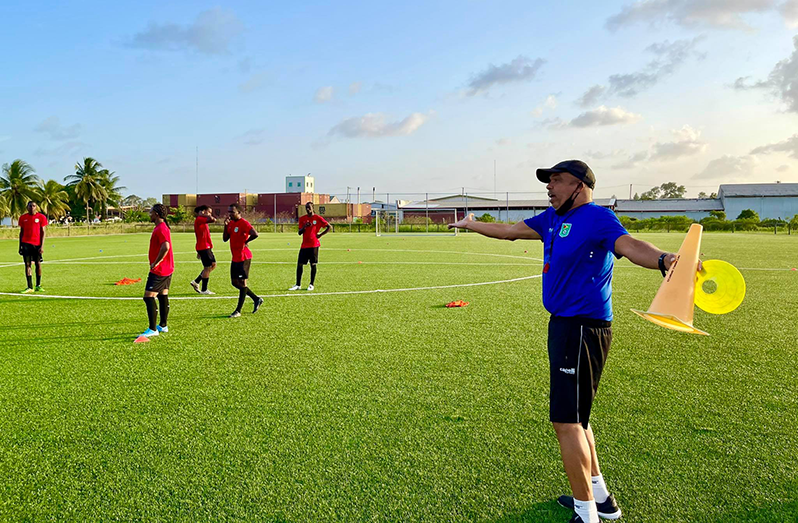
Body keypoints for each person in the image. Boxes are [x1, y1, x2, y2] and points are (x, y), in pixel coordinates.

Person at [449, 160, 700, 523]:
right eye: (548, 182)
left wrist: (664, 259)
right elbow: (507, 230)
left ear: (579, 187)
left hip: (584, 329)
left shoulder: (597, 218)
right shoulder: (550, 219)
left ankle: (587, 515)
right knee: (578, 419)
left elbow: (629, 245)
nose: (549, 188)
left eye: (558, 181)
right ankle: (601, 499)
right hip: (564, 326)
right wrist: (471, 224)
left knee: (566, 422)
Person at [223, 203, 263, 318]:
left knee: (242, 283)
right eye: (229, 212)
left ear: (239, 213)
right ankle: (256, 299)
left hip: (244, 257)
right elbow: (225, 239)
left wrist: (246, 242)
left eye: (232, 212)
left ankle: (238, 311)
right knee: (234, 282)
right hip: (235, 257)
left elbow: (255, 234)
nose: (230, 214)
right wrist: (225, 226)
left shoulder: (244, 223)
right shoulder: (230, 224)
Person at [140, 204, 174, 339]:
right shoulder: (163, 227)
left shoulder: (161, 228)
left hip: (160, 270)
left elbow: (166, 247)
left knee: (148, 297)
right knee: (162, 295)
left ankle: (153, 329)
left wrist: (156, 262)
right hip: (168, 268)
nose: (149, 214)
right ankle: (163, 325)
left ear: (157, 214)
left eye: (151, 212)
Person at [289, 202, 331, 291]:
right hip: (304, 245)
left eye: (309, 207)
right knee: (299, 264)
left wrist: (320, 235)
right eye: (306, 208)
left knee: (313, 264)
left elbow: (329, 227)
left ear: (313, 208)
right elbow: (299, 233)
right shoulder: (302, 219)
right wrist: (304, 226)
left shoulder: (317, 218)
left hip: (314, 245)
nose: (308, 209)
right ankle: (298, 284)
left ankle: (311, 284)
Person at [18, 201, 48, 293]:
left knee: (38, 264)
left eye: (34, 206)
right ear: (27, 207)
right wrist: (20, 246)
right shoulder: (23, 218)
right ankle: (29, 286)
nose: (32, 207)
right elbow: (21, 232)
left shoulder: (41, 217)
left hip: (37, 244)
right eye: (30, 206)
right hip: (26, 244)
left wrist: (42, 246)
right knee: (27, 264)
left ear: (36, 207)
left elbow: (43, 232)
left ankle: (38, 285)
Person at [190, 205, 217, 295]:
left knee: (213, 265)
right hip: (204, 247)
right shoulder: (200, 219)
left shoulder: (201, 219)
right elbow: (213, 219)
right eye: (208, 212)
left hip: (206, 247)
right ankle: (204, 289)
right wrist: (206, 215)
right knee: (207, 267)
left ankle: (196, 281)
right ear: (202, 211)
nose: (210, 214)